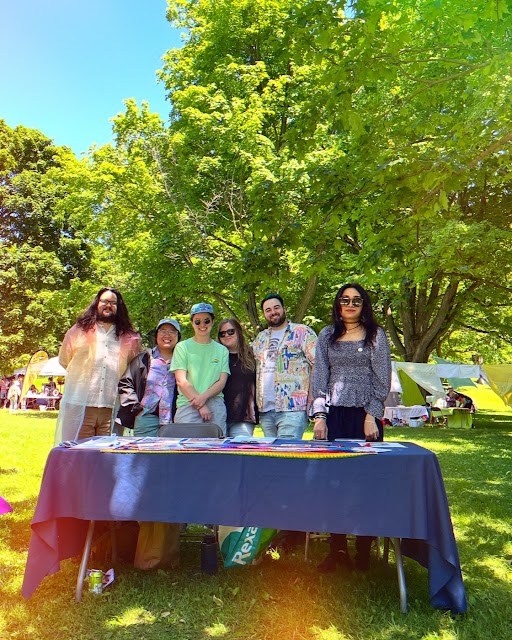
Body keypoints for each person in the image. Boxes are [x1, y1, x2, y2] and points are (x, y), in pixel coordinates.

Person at [312, 283, 392, 572]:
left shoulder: (376, 335)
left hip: (365, 417)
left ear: (364, 304)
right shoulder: (325, 335)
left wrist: (372, 415)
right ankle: (337, 549)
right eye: (344, 300)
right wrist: (319, 416)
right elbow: (319, 377)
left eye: (356, 300)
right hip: (334, 416)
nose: (350, 304)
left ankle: (363, 550)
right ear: (337, 304)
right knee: (333, 483)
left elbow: (382, 378)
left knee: (364, 483)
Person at [55, 287, 141, 444]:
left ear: (119, 307)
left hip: (112, 409)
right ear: (97, 303)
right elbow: (64, 360)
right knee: (79, 454)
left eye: (113, 303)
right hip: (80, 405)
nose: (108, 305)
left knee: (107, 458)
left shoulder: (129, 337)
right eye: (105, 301)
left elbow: (134, 370)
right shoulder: (78, 331)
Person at [251, 293, 316, 439]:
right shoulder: (261, 338)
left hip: (293, 408)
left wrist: (312, 398)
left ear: (284, 309)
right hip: (266, 410)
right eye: (268, 310)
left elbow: (317, 365)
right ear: (264, 314)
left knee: (287, 455)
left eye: (276, 307)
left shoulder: (302, 332)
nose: (273, 312)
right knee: (272, 459)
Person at [171, 303, 230, 434]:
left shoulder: (222, 350)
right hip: (188, 403)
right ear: (192, 323)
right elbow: (181, 381)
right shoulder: (182, 347)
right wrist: (201, 405)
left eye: (206, 321)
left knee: (216, 450)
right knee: (185, 449)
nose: (202, 325)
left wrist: (203, 399)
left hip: (215, 405)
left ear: (213, 322)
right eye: (197, 321)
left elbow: (221, 382)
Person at [117, 318, 181, 437]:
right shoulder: (144, 358)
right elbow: (126, 382)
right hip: (146, 418)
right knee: (144, 454)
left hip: (174, 420)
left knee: (171, 455)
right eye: (163, 331)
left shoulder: (183, 360)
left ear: (178, 337)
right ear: (156, 335)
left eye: (172, 331)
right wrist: (135, 407)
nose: (167, 335)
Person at [217, 318, 257, 437]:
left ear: (239, 332)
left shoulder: (252, 355)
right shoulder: (215, 357)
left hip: (243, 417)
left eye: (230, 332)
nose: (226, 335)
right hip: (218, 415)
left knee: (240, 453)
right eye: (222, 333)